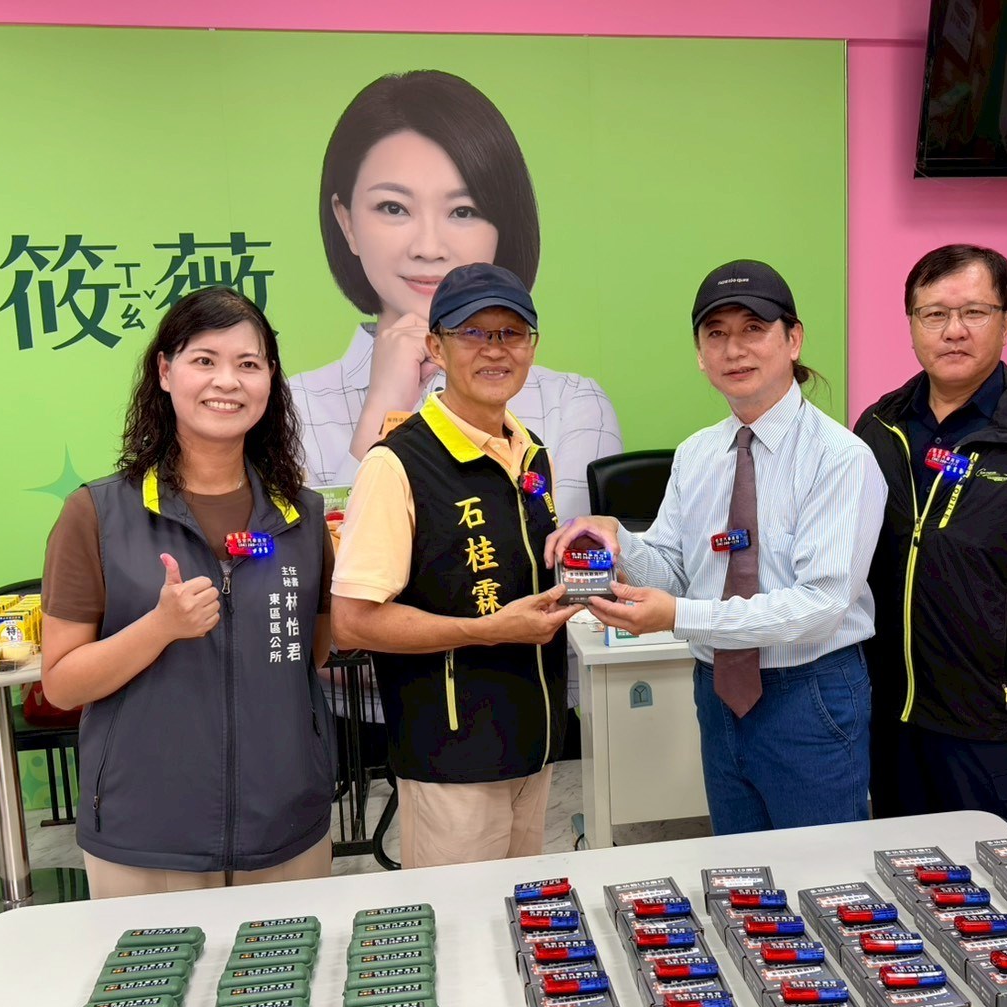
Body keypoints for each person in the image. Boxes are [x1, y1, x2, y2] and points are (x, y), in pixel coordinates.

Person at [548, 260, 887, 834]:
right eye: (716, 333)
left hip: (809, 694)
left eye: (753, 328)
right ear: (701, 355)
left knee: (822, 870)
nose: (734, 349)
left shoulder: (840, 458)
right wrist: (619, 539)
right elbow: (674, 573)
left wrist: (678, 617)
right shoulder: (697, 455)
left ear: (793, 339)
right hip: (717, 692)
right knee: (739, 866)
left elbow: (821, 604)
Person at [40, 286, 335, 897]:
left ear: (270, 381)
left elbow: (313, 651)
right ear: (165, 371)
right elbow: (62, 683)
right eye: (204, 360)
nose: (227, 381)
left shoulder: (301, 517)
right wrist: (160, 628)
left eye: (248, 364)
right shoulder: (95, 513)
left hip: (287, 827)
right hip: (147, 837)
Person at [854, 244, 1007, 862]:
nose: (954, 330)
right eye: (934, 314)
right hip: (896, 726)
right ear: (912, 323)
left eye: (974, 312)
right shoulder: (879, 428)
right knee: (906, 891)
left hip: (1001, 736)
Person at [330, 263, 577, 868]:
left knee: (521, 912)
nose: (495, 349)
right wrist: (486, 630)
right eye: (473, 332)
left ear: (531, 346)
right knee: (462, 921)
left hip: (535, 743)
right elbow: (353, 622)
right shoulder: (397, 464)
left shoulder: (531, 451)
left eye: (511, 333)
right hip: (452, 758)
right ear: (436, 348)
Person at [291, 69, 622, 508]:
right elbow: (331, 551)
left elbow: (559, 546)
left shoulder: (571, 405)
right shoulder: (290, 407)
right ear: (347, 221)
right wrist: (384, 407)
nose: (429, 248)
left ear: (503, 226)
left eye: (463, 211)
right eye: (394, 208)